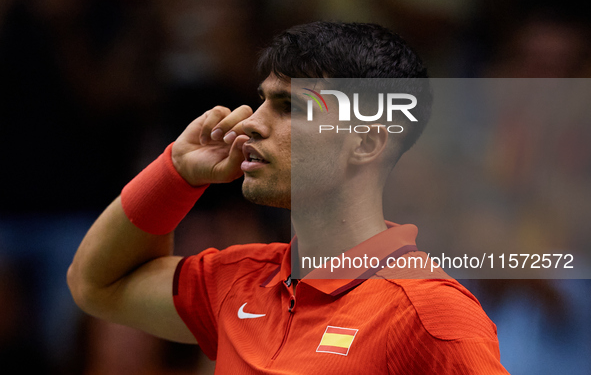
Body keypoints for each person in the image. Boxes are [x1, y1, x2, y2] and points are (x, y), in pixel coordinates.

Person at [68, 21, 509, 374]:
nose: (250, 124)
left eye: (290, 107)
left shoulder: (429, 314)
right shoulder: (237, 280)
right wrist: (176, 173)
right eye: (261, 102)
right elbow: (96, 284)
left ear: (366, 143)